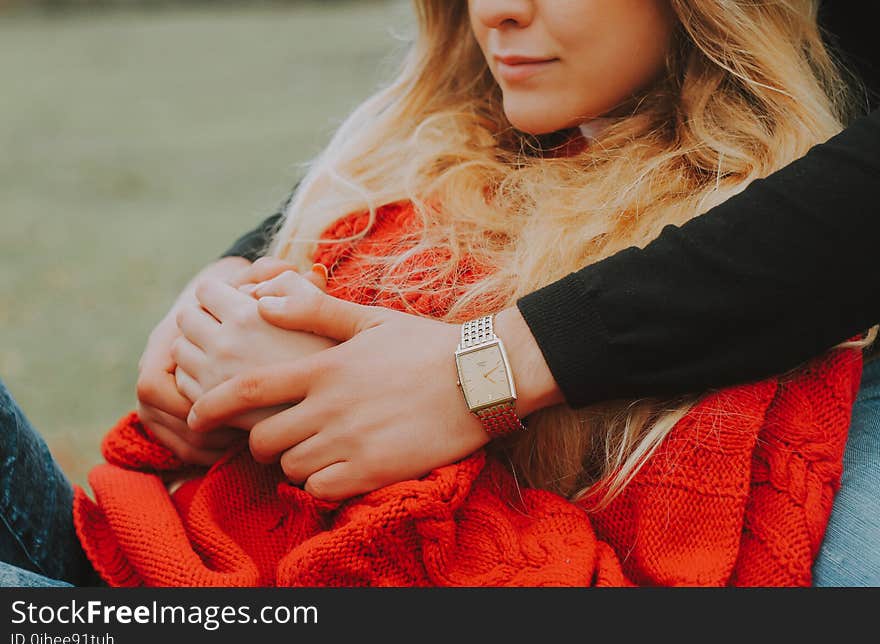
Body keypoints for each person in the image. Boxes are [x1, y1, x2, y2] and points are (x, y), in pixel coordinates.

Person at [1, 0, 874, 586]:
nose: (496, 9)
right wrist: (224, 317)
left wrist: (423, 416)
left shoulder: (735, 264)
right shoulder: (420, 159)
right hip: (118, 560)